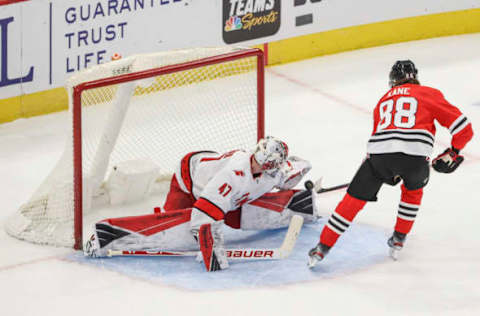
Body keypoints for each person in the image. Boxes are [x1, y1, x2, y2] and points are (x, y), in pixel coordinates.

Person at [308, 60, 474, 267]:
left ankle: (322, 247)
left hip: (379, 157)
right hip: (415, 159)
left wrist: (370, 169)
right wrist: (453, 152)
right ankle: (399, 238)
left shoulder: (383, 100)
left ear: (392, 81)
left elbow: (379, 139)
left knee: (352, 201)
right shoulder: (429, 93)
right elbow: (464, 130)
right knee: (412, 192)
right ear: (416, 77)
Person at [85, 136, 316, 271]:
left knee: (241, 212)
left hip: (219, 185)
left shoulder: (274, 172)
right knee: (180, 231)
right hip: (189, 178)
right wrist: (212, 248)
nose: (256, 164)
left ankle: (301, 205)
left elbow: (291, 172)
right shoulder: (233, 174)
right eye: (256, 159)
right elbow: (203, 214)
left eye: (263, 164)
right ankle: (107, 235)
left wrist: (299, 172)